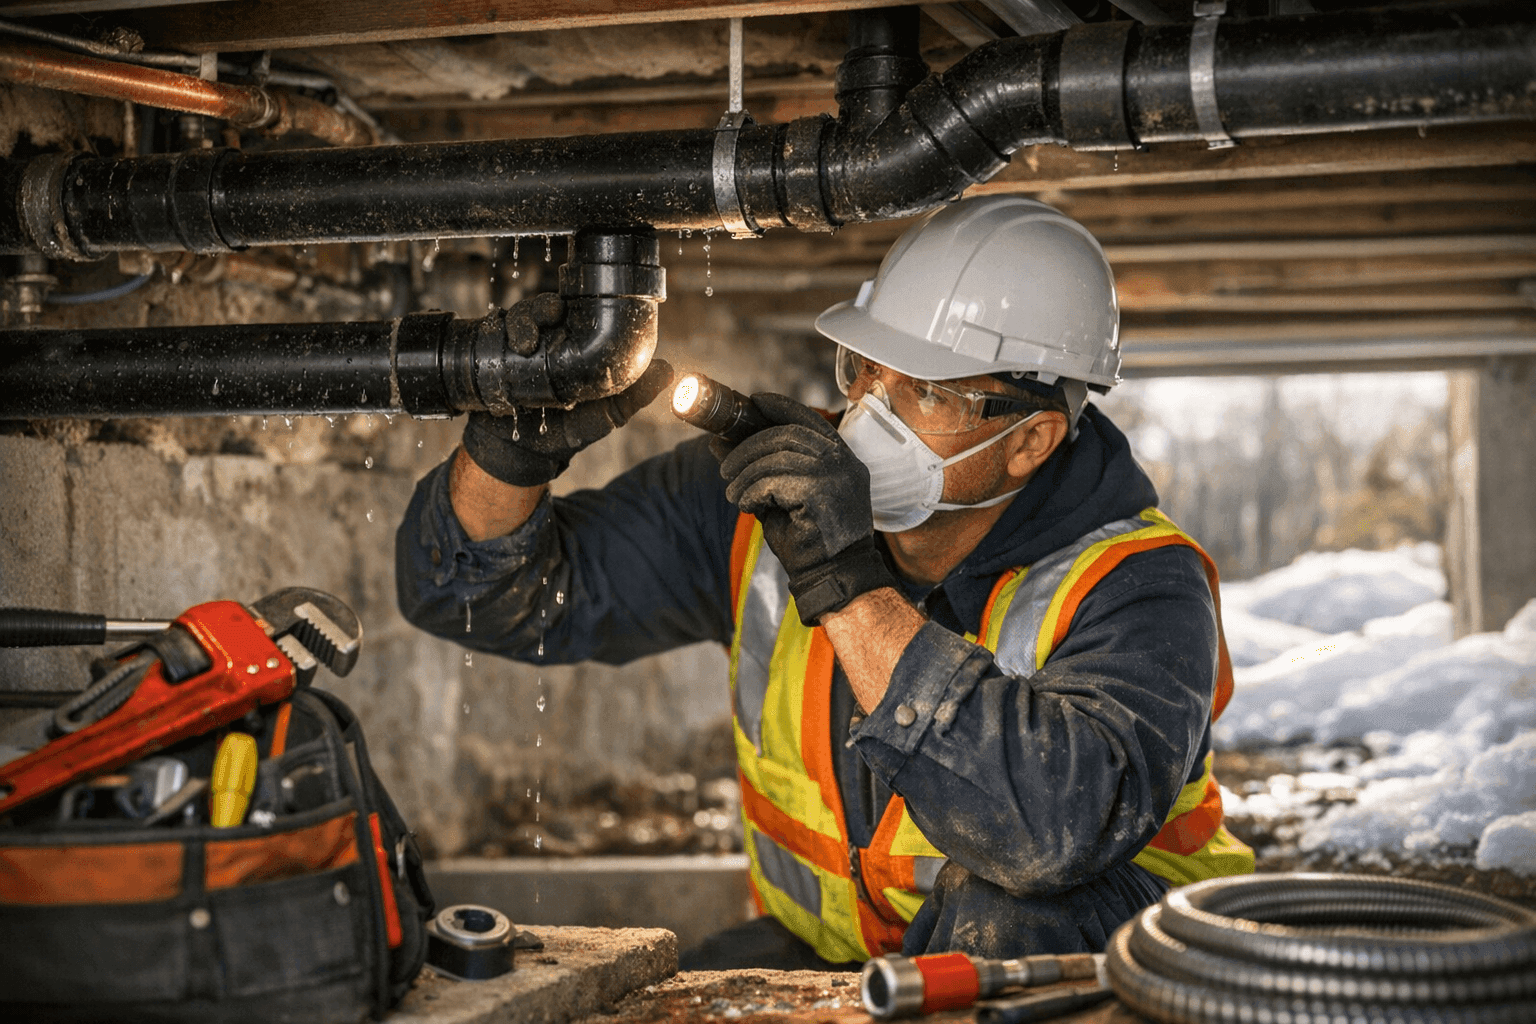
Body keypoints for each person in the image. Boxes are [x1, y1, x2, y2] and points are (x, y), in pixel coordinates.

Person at [395, 196, 1253, 970]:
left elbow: (1045, 837)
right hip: (836, 955)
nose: (867, 415)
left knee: (1010, 919)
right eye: (864, 370)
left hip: (1097, 975)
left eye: (919, 391)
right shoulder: (754, 499)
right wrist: (512, 450)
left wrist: (846, 582)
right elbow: (474, 596)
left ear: (1029, 441)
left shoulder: (1140, 585)